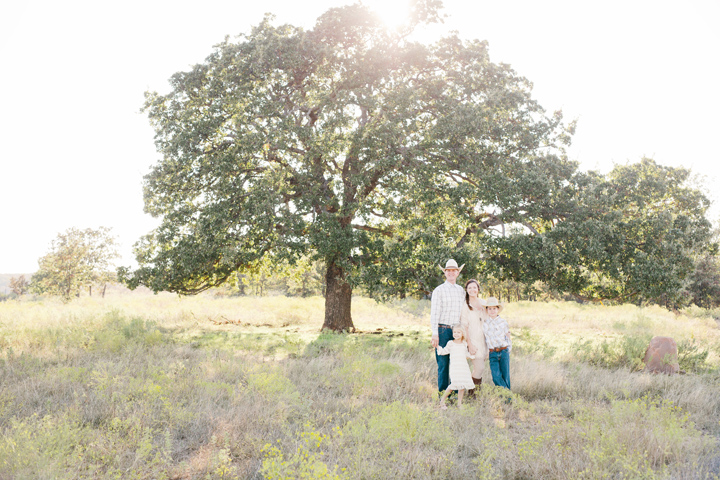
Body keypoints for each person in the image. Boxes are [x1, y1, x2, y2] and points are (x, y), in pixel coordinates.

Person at [430, 259, 466, 395]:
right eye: (448, 270)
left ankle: (456, 394)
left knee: (457, 363)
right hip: (443, 330)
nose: (451, 273)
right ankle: (443, 396)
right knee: (443, 364)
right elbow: (435, 313)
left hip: (457, 331)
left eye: (454, 271)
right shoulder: (439, 290)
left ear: (457, 273)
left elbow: (464, 313)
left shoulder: (461, 291)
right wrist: (435, 333)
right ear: (445, 273)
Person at [437, 325, 476, 409]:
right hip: (455, 367)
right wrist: (438, 348)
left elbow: (465, 354)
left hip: (463, 367)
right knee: (453, 385)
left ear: (462, 334)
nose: (456, 334)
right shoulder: (450, 343)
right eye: (454, 332)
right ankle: (442, 402)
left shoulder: (464, 344)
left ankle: (459, 404)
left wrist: (472, 355)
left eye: (458, 332)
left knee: (462, 386)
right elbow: (444, 351)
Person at [460, 279, 488, 394]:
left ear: (478, 289)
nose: (472, 290)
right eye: (469, 288)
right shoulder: (465, 305)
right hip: (473, 340)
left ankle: (474, 393)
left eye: (474, 287)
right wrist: (469, 345)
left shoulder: (483, 303)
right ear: (466, 290)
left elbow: (490, 320)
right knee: (479, 368)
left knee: (480, 369)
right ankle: (472, 393)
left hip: (484, 340)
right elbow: (464, 326)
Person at [482, 297, 512, 390]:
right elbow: (485, 339)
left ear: (498, 309)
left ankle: (507, 401)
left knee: (505, 376)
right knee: (496, 376)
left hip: (503, 351)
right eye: (489, 309)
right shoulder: (485, 323)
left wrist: (508, 350)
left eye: (494, 308)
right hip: (493, 353)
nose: (492, 311)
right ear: (487, 310)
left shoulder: (503, 322)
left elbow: (508, 338)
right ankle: (509, 395)